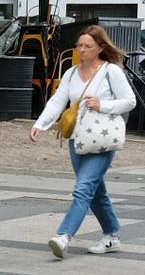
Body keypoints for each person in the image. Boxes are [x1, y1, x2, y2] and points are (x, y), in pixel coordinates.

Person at [30, 26, 135, 258]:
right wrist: (40, 124)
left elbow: (130, 101)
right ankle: (112, 235)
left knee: (83, 189)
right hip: (78, 140)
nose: (82, 50)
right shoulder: (70, 73)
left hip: (103, 140)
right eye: (79, 46)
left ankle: (64, 236)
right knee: (95, 190)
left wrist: (103, 105)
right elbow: (58, 101)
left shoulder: (111, 72)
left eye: (88, 46)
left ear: (100, 47)